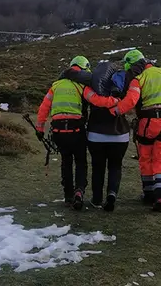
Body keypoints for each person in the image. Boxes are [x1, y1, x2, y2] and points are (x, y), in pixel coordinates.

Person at [35, 56, 120, 210]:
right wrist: (115, 101)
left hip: (58, 131)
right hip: (76, 130)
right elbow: (97, 100)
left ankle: (68, 196)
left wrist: (40, 129)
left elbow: (43, 108)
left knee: (66, 162)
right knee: (80, 162)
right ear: (83, 69)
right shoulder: (81, 86)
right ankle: (79, 192)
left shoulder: (56, 85)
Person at [108, 49, 161, 213]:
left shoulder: (137, 79)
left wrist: (115, 110)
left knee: (146, 157)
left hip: (148, 123)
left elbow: (131, 101)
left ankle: (149, 193)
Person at [82, 60, 131, 212]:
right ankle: (112, 194)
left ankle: (97, 199)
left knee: (98, 167)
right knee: (115, 166)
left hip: (96, 135)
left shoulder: (90, 87)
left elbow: (87, 97)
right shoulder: (122, 86)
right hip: (120, 135)